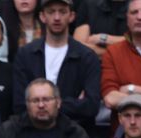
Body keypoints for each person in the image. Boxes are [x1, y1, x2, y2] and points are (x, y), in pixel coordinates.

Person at [12, 0, 100, 130]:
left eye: (62, 12)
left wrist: (38, 104)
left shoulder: (87, 57)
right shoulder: (26, 55)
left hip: (73, 134)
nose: (57, 17)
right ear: (42, 16)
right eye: (51, 12)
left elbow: (91, 106)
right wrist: (73, 103)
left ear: (72, 16)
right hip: (33, 134)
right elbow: (19, 105)